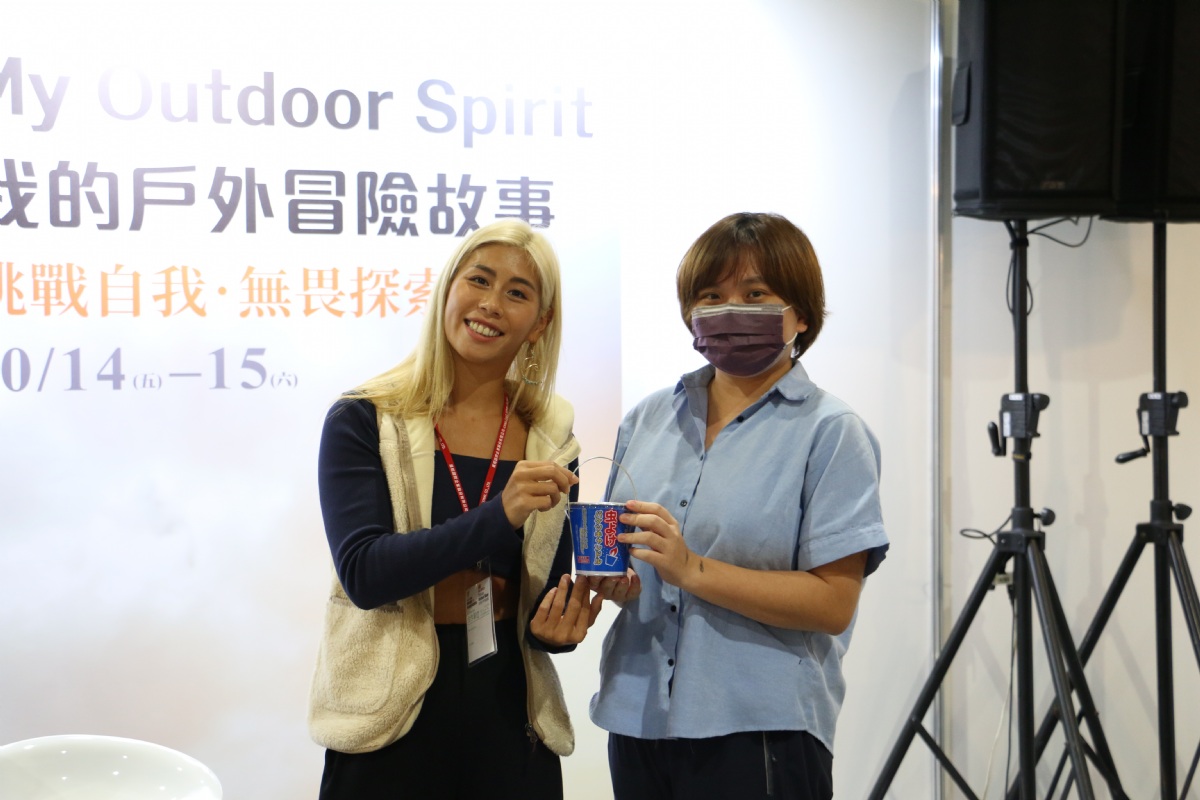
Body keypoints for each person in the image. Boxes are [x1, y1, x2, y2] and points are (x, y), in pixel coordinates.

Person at [588, 212, 889, 800]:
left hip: (761, 728)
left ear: (801, 314)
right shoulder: (648, 418)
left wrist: (692, 569)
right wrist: (614, 582)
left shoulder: (831, 431)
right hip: (638, 717)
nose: (730, 310)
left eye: (755, 294)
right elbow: (631, 569)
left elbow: (832, 604)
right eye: (711, 295)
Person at [309, 219, 603, 800]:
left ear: (540, 323)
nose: (491, 304)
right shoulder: (366, 417)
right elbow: (365, 573)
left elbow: (544, 594)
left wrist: (561, 627)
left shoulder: (551, 436)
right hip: (392, 712)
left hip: (511, 708)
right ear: (448, 288)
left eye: (517, 292)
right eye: (479, 280)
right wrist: (500, 513)